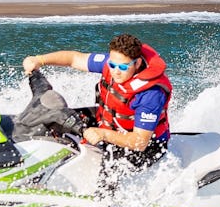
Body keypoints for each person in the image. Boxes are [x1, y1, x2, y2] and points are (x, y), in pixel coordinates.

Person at [21, 33, 172, 169]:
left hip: (147, 148)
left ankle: (103, 199)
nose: (116, 71)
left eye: (123, 67)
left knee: (111, 166)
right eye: (112, 65)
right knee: (56, 119)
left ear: (137, 63)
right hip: (108, 123)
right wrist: (39, 60)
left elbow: (139, 142)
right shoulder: (112, 63)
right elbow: (74, 58)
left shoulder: (151, 95)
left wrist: (103, 134)